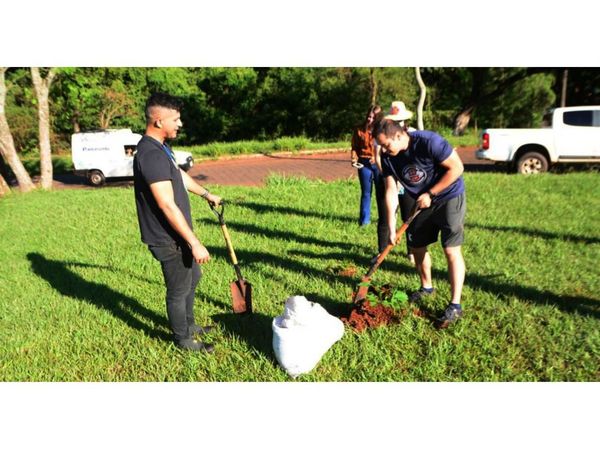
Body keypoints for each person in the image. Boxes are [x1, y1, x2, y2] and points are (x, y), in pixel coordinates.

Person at [133, 92, 222, 352]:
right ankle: (183, 340)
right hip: (166, 237)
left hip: (176, 234)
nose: (180, 124)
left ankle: (189, 325)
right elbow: (166, 204)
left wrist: (206, 194)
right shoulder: (150, 154)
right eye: (176, 119)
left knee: (192, 277)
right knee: (178, 288)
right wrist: (194, 242)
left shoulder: (161, 148)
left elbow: (179, 176)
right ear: (159, 121)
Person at [374, 119, 467, 327]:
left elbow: (457, 168)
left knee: (451, 250)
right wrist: (391, 227)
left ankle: (455, 305)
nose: (385, 151)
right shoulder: (388, 157)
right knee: (417, 247)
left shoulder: (429, 142)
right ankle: (426, 287)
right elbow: (390, 190)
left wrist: (431, 193)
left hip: (448, 197)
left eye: (387, 145)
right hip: (421, 202)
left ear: (398, 136)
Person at [374, 101, 416, 264]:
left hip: (407, 181)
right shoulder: (382, 135)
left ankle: (412, 251)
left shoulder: (412, 133)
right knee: (385, 216)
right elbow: (378, 156)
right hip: (387, 178)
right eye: (394, 120)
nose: (398, 123)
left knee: (409, 217)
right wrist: (388, 177)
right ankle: (382, 252)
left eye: (400, 120)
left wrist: (404, 179)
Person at [351, 105, 384, 231]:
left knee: (381, 193)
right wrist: (354, 159)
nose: (370, 119)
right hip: (364, 163)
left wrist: (377, 157)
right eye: (369, 116)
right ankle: (364, 221)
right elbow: (354, 146)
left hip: (378, 163)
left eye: (373, 117)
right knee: (366, 193)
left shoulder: (381, 130)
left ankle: (384, 219)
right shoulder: (359, 129)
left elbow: (386, 147)